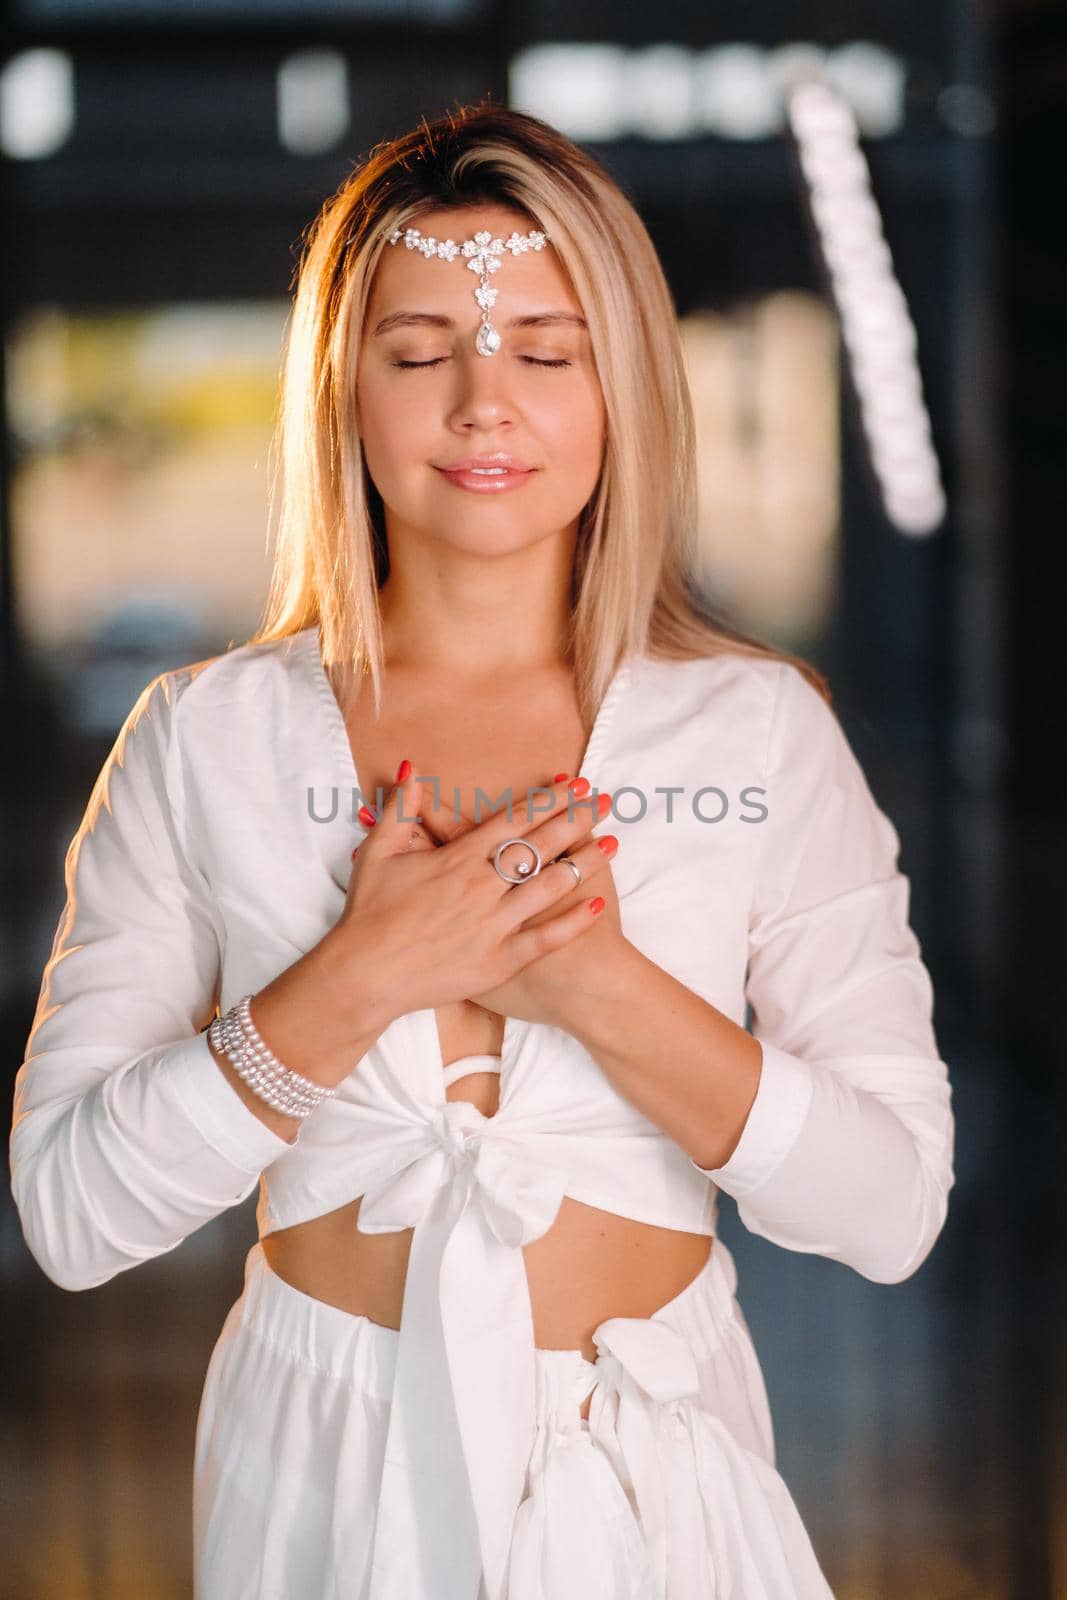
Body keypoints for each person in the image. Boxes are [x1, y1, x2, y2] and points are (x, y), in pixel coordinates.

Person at [9, 101, 955, 1600]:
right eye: (419, 350)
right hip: (316, 1482)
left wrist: (595, 988)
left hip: (658, 1494)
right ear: (344, 389)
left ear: (622, 386)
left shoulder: (758, 734)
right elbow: (67, 1217)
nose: (481, 406)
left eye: (546, 350)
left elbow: (894, 1207)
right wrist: (367, 972)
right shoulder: (206, 739)